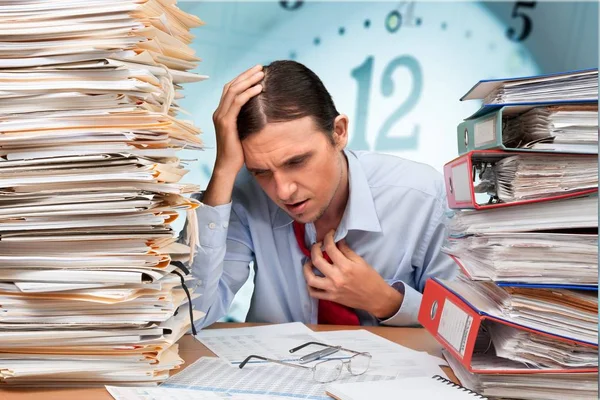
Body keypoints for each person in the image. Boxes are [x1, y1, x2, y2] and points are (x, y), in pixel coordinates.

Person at [186, 60, 457, 328]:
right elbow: (185, 315)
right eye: (261, 172)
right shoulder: (245, 194)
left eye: (296, 162)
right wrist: (223, 171)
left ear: (339, 133)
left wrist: (387, 302)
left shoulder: (421, 197)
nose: (283, 191)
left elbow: (469, 331)